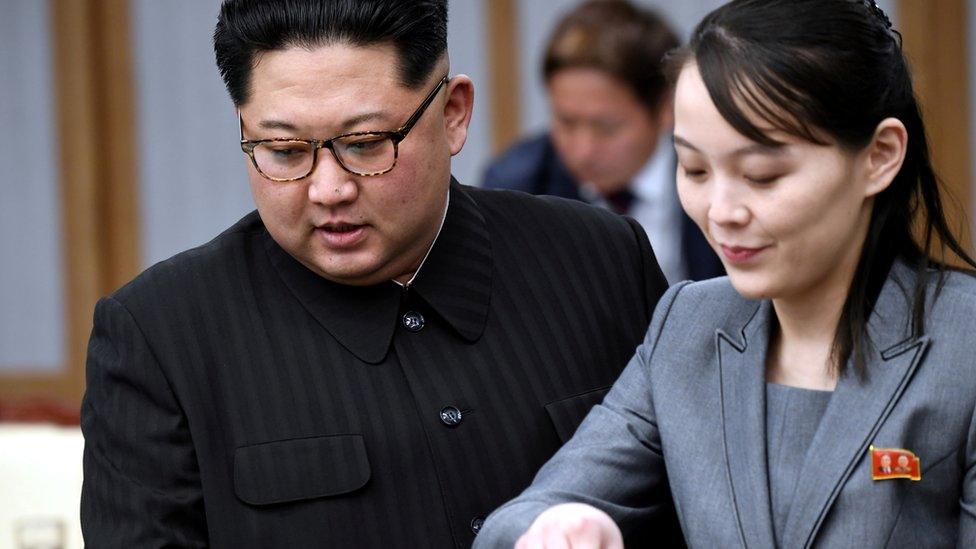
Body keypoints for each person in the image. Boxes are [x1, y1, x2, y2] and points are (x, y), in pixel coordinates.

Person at [79, 1, 677, 547]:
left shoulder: (601, 261)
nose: (329, 189)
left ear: (453, 114)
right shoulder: (160, 336)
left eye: (366, 144)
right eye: (284, 152)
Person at [476, 0, 976, 546]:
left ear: (879, 155)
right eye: (693, 169)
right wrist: (556, 527)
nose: (721, 211)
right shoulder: (689, 324)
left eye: (761, 175)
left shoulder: (962, 344)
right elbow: (534, 510)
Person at [482, 0, 723, 284]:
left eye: (606, 128)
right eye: (566, 122)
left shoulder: (719, 175)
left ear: (666, 109)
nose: (583, 152)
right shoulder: (518, 189)